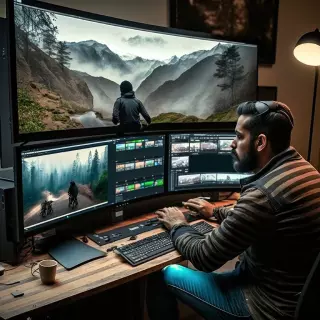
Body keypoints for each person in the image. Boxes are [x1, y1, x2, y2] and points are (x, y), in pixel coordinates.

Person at [146, 101, 320, 320]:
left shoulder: (261, 195)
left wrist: (177, 224)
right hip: (293, 298)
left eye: (239, 136)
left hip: (261, 306)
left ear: (260, 142)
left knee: (163, 275)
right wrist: (216, 212)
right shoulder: (306, 170)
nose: (232, 144)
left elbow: (204, 257)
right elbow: (262, 219)